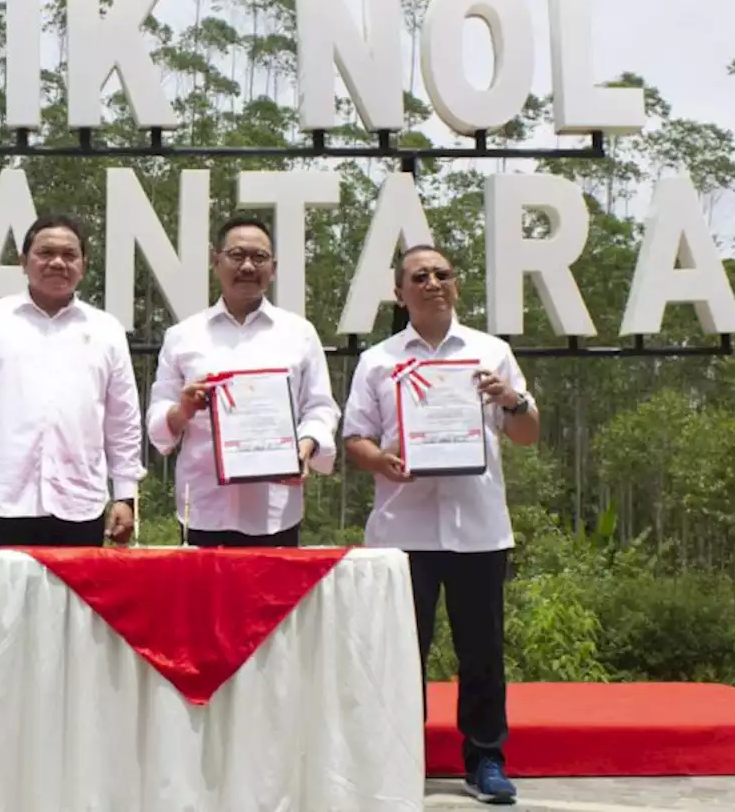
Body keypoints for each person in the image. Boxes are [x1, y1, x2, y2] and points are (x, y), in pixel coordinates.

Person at [341, 244, 540, 806]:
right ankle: (398, 761)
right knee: (403, 654)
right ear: (398, 292)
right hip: (402, 531)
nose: (431, 283)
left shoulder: (491, 351)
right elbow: (356, 436)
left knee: (482, 652)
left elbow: (528, 432)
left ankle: (485, 761)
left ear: (456, 285)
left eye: (441, 274)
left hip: (477, 527)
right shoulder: (378, 360)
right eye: (418, 276)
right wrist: (377, 460)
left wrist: (513, 398)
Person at [0, 213, 145, 546]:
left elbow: (123, 422)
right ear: (23, 262)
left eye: (69, 255)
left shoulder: (106, 330)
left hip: (79, 505)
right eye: (45, 253)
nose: (57, 262)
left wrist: (125, 495)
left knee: (71, 601)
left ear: (83, 265)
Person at [145, 215, 340, 546]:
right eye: (237, 255)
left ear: (273, 267)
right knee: (205, 600)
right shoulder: (183, 336)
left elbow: (320, 408)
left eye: (259, 257)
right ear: (215, 260)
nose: (248, 266)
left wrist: (304, 448)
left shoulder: (299, 333)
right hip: (204, 507)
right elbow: (158, 418)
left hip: (276, 510)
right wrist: (183, 410)